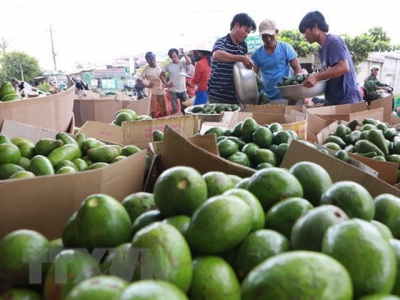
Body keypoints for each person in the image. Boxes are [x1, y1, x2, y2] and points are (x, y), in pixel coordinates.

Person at [298, 11, 362, 106]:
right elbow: (329, 72)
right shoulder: (321, 48)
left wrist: (316, 77)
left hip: (346, 101)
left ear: (315, 26)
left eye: (304, 31)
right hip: (334, 102)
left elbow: (343, 67)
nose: (304, 36)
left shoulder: (333, 41)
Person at [208, 13, 257, 104]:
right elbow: (217, 55)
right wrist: (241, 58)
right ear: (237, 25)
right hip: (218, 97)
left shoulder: (243, 46)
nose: (246, 35)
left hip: (236, 98)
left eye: (248, 33)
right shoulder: (222, 41)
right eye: (245, 30)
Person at [252, 19, 306, 101]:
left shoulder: (286, 48)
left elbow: (297, 69)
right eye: (265, 36)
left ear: (276, 32)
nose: (268, 39)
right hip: (266, 97)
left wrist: (294, 93)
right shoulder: (257, 53)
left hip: (286, 96)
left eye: (271, 35)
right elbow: (253, 76)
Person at [136, 51, 168, 118]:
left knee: (165, 109)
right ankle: (154, 123)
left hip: (161, 90)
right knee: (153, 110)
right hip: (152, 92)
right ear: (147, 61)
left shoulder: (160, 66)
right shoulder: (146, 70)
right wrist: (147, 85)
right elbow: (138, 80)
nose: (153, 62)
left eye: (153, 59)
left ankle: (166, 121)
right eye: (150, 60)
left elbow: (163, 74)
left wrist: (165, 83)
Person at [161, 48, 192, 114]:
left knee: (186, 107)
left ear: (177, 55)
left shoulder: (182, 63)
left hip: (183, 89)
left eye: (175, 56)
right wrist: (166, 84)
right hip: (173, 90)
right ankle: (175, 122)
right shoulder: (168, 66)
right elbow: (161, 75)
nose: (174, 58)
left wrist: (183, 53)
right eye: (172, 57)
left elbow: (189, 62)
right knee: (174, 108)